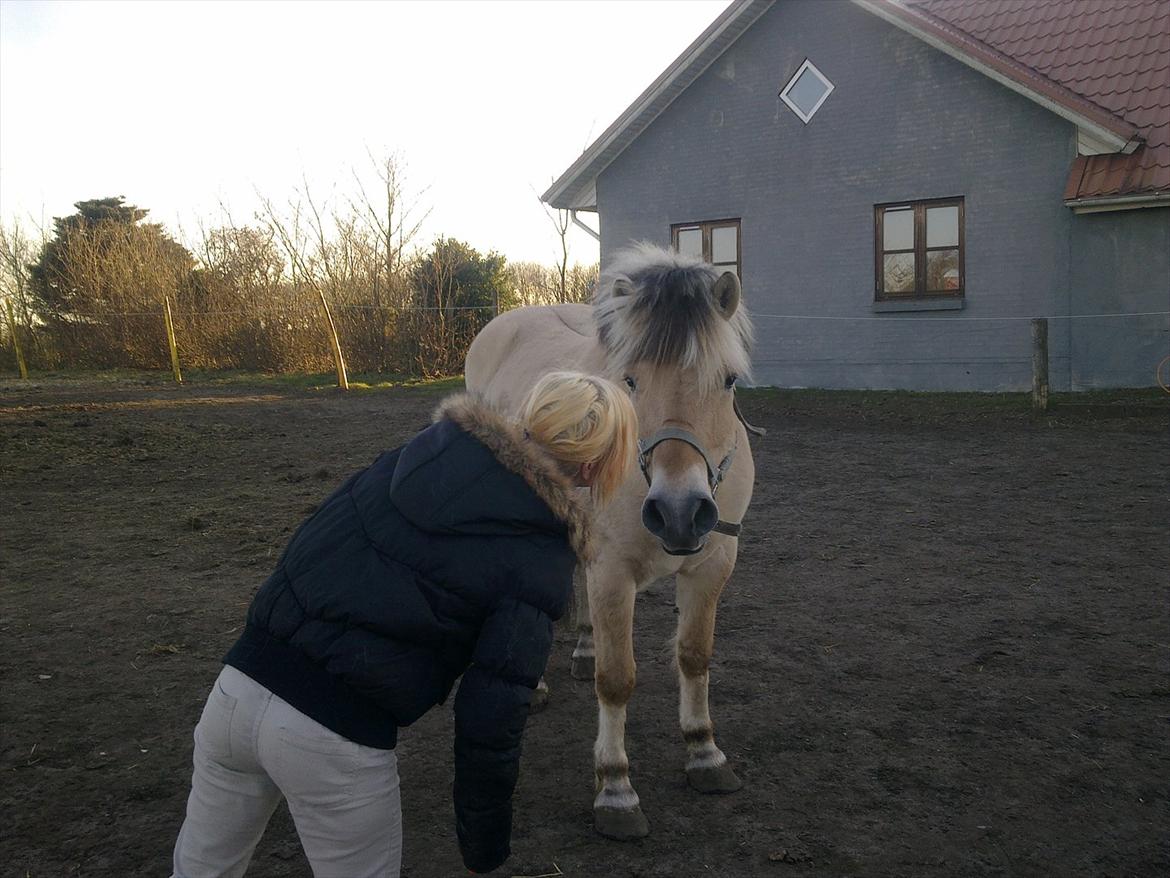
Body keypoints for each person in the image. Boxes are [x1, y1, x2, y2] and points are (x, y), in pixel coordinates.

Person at [171, 372, 637, 878]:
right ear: (592, 466)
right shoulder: (539, 553)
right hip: (333, 734)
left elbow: (311, 542)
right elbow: (493, 711)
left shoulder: (421, 452)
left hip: (235, 690)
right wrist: (484, 845)